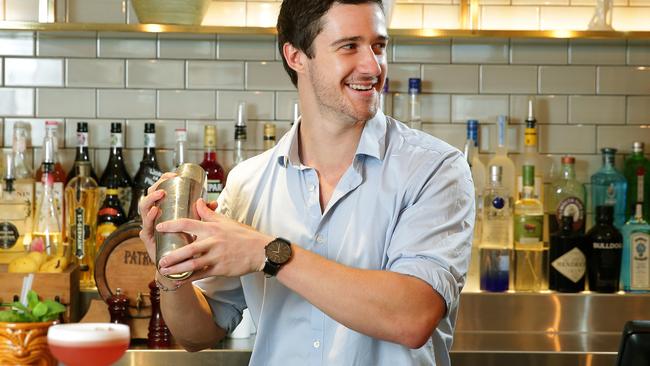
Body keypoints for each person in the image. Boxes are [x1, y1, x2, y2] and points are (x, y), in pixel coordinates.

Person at [138, 0, 474, 365]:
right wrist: (170, 264)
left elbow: (412, 317)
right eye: (349, 46)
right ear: (296, 55)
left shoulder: (434, 169)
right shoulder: (249, 182)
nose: (372, 66)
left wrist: (268, 254)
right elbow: (196, 333)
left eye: (379, 46)